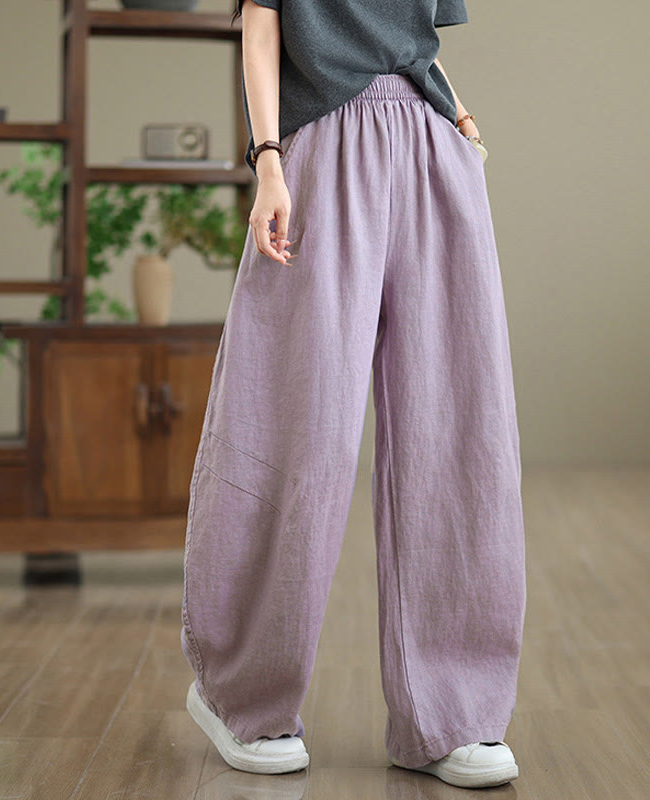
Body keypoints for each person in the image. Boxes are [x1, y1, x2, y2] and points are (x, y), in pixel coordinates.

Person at [180, 0, 527, 790]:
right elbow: (261, 25)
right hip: (321, 148)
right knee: (289, 424)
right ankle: (243, 692)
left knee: (458, 431)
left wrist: (461, 120)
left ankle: (451, 713)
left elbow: (410, 43)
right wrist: (269, 159)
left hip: (431, 147)